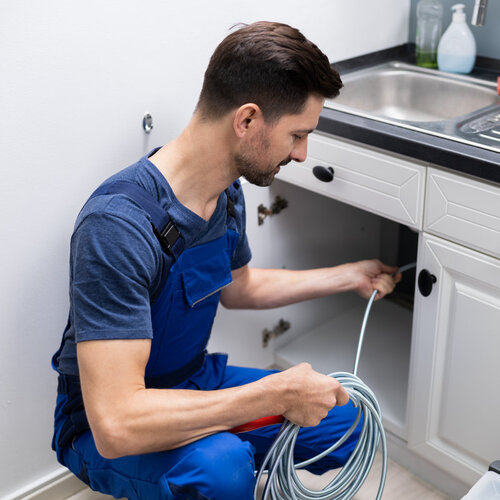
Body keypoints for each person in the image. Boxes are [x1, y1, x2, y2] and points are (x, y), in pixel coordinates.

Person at [51, 21, 400, 500]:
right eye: (298, 135)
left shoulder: (226, 193)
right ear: (248, 120)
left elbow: (240, 287)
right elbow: (115, 424)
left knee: (343, 419)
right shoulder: (117, 227)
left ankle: (211, 465)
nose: (302, 154)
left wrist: (348, 276)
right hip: (107, 425)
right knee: (221, 468)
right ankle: (212, 470)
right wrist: (271, 397)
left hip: (194, 381)